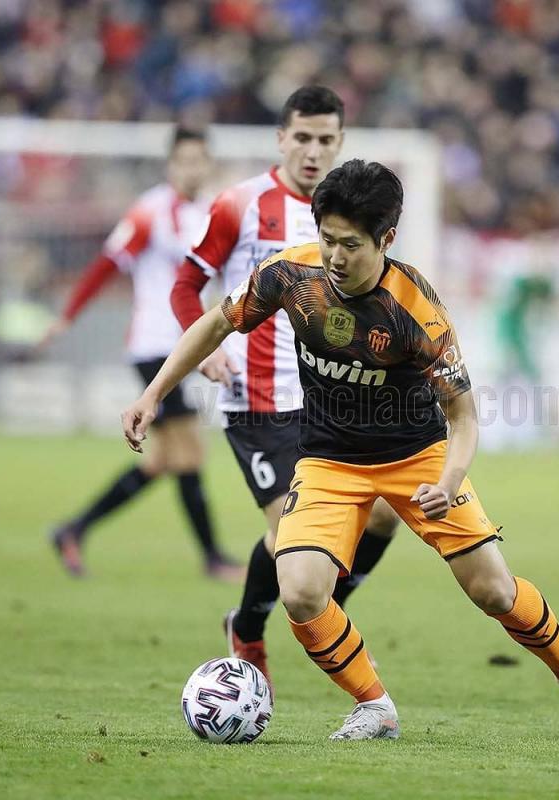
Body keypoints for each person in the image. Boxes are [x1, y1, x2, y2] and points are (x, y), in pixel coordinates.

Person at [124, 159, 559, 742]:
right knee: (298, 592)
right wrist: (153, 393)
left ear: (386, 239)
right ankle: (375, 706)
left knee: (493, 590)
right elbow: (216, 325)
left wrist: (448, 482)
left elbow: (464, 418)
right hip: (326, 460)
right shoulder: (291, 274)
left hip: (416, 458)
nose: (336, 256)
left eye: (351, 244)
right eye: (327, 239)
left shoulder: (416, 309)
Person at [170, 86, 398, 683]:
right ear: (280, 138)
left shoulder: (350, 212)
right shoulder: (240, 204)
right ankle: (247, 628)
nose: (313, 150)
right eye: (303, 137)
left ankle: (329, 615)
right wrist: (203, 357)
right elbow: (184, 287)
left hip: (334, 400)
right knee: (288, 531)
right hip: (260, 399)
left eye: (326, 139)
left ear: (341, 142)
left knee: (382, 517)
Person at [41, 127, 241, 582]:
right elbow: (107, 264)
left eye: (200, 160)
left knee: (164, 461)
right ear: (171, 165)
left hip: (188, 347)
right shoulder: (150, 211)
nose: (193, 168)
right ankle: (212, 558)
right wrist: (68, 315)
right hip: (154, 346)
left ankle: (74, 529)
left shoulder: (214, 210)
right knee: (190, 451)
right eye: (184, 160)